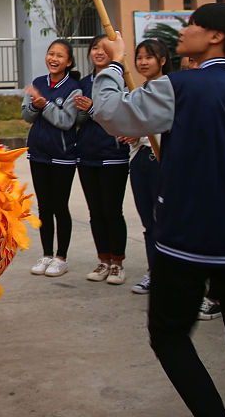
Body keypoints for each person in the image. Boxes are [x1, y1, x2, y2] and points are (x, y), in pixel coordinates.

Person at [90, 3, 225, 417]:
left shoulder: (184, 86)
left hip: (187, 239)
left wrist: (113, 64)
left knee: (168, 334)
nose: (184, 28)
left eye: (193, 23)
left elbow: (111, 113)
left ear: (216, 37)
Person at [74, 35, 130, 286]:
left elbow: (121, 114)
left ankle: (118, 262)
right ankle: (103, 259)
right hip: (86, 153)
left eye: (104, 48)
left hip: (113, 153)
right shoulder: (83, 83)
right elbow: (75, 119)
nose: (98, 52)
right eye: (94, 48)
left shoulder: (121, 80)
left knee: (112, 210)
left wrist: (93, 109)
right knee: (95, 211)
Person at [22, 39, 81, 278]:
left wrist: (44, 104)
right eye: (50, 54)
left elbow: (66, 121)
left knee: (59, 206)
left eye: (59, 55)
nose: (53, 59)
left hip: (62, 156)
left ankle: (61, 257)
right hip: (38, 154)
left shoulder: (74, 88)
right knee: (44, 207)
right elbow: (26, 116)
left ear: (68, 62)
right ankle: (46, 255)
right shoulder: (38, 83)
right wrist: (36, 106)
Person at [124, 38, 170, 296]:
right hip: (140, 160)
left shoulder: (169, 89)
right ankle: (153, 271)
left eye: (148, 57)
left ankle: (169, 273)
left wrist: (140, 131)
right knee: (148, 222)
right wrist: (131, 134)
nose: (142, 62)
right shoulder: (139, 90)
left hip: (160, 160)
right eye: (139, 57)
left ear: (162, 60)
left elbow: (161, 124)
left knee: (164, 220)